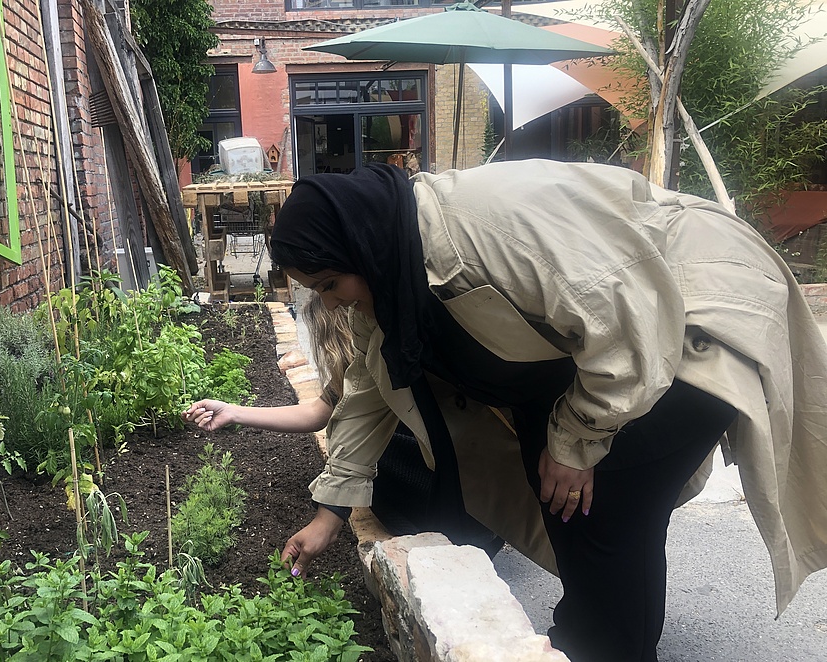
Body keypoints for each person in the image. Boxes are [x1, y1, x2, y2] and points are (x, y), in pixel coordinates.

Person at [268, 159, 827, 662]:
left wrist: (577, 440)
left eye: (329, 283)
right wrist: (332, 512)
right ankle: (595, 629)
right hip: (603, 344)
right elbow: (369, 387)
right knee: (565, 498)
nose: (331, 302)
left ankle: (604, 643)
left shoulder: (488, 227)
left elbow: (628, 324)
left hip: (688, 319)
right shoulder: (388, 266)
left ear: (359, 247)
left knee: (613, 503)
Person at [182, 291, 506, 552]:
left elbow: (339, 426)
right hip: (485, 507)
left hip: (454, 517)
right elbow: (318, 411)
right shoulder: (362, 368)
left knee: (363, 443)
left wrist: (334, 507)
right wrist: (233, 411)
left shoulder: (383, 363)